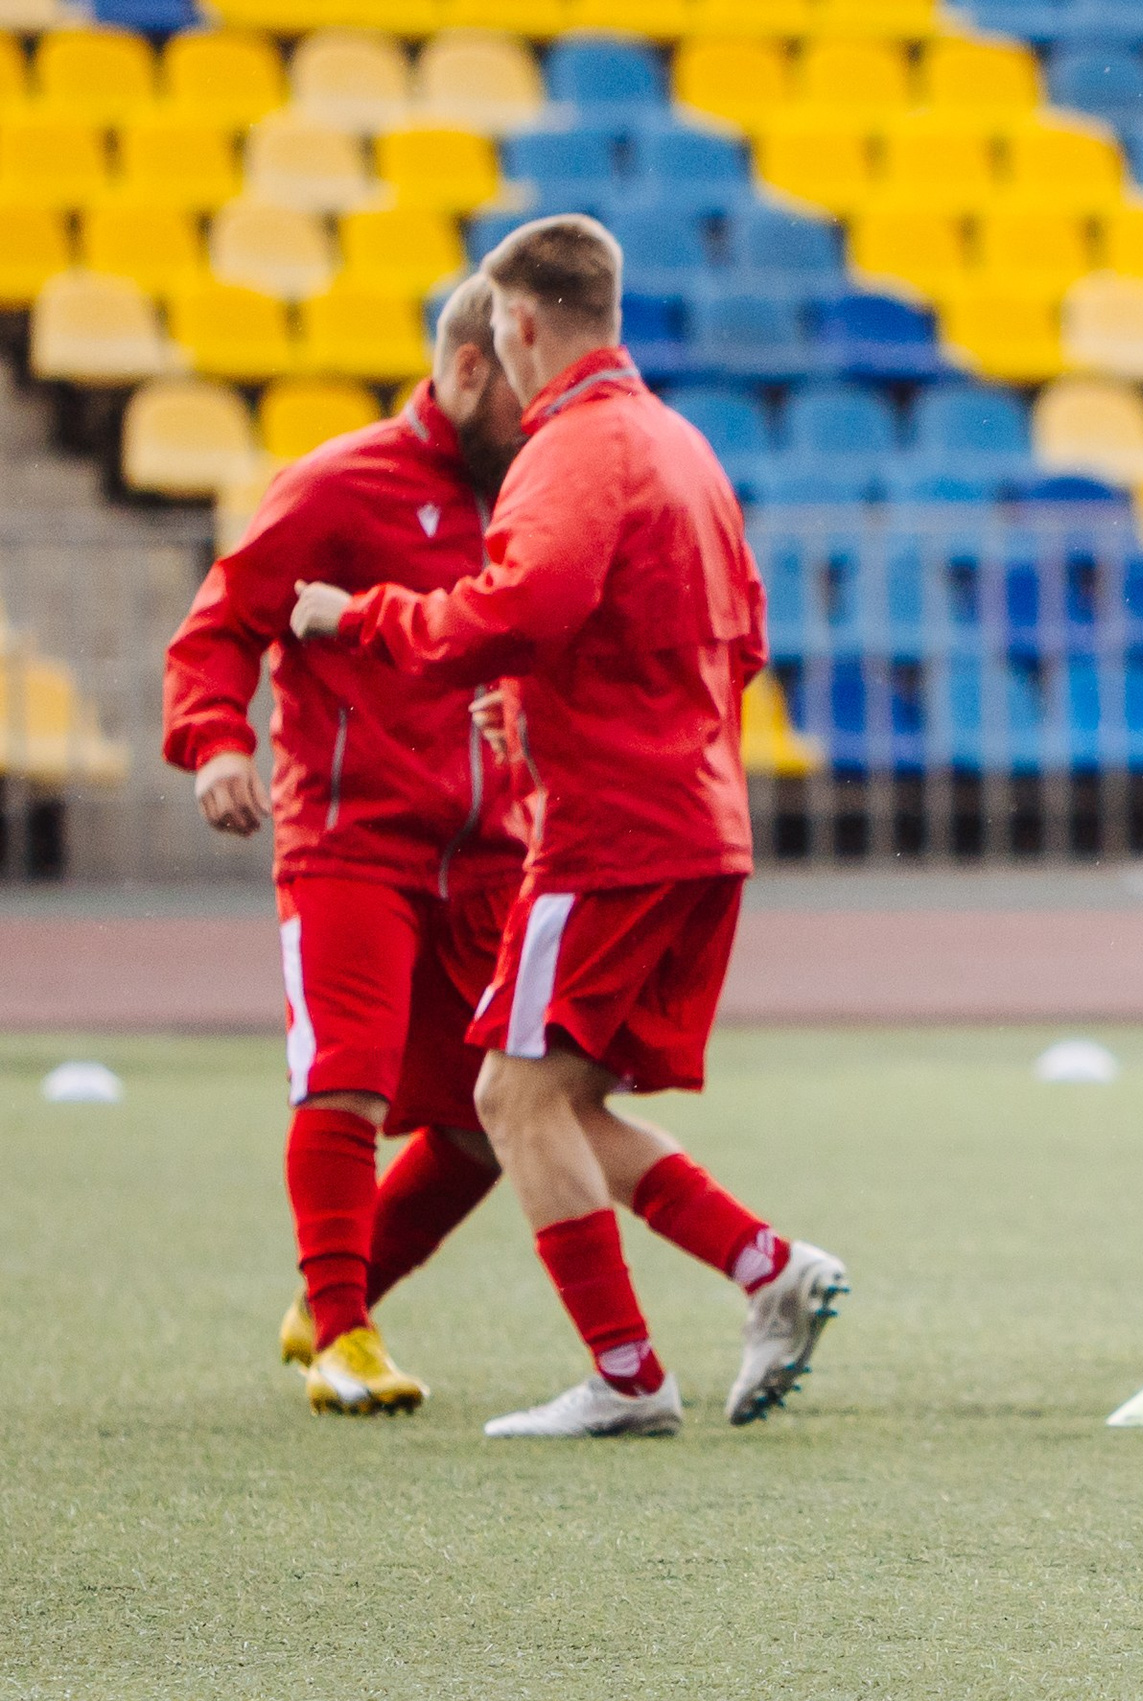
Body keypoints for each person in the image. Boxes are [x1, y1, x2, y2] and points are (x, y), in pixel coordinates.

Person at [289, 215, 844, 1439]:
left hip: (607, 831)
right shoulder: (679, 443)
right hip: (699, 820)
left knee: (509, 1098)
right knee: (566, 1102)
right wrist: (553, 700)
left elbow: (519, 605)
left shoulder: (572, 446)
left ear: (520, 324)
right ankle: (768, 1269)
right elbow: (741, 635)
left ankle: (628, 1376)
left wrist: (357, 618)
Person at [164, 278, 532, 1417]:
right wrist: (216, 742)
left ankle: (337, 1294)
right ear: (467, 369)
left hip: (488, 850)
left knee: (495, 1116)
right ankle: (341, 1339)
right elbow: (222, 621)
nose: (542, 409)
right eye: (525, 387)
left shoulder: (532, 489)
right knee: (346, 1080)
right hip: (350, 840)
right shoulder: (337, 485)